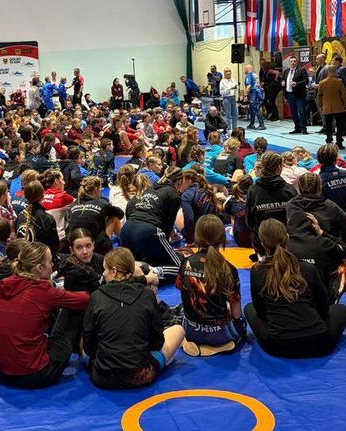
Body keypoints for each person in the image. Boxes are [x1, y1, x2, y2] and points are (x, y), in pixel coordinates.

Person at [245, 219, 346, 358]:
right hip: (319, 342)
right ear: (287, 238)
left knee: (249, 308)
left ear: (263, 244)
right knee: (341, 309)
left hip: (278, 346)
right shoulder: (307, 268)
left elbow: (260, 310)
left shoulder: (257, 271)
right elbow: (323, 306)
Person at [0, 241, 90, 388]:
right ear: (39, 268)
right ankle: (86, 349)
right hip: (34, 374)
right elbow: (85, 300)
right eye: (50, 262)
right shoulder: (41, 290)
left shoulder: (5, 285)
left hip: (2, 372)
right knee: (71, 310)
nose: (53, 265)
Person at [83, 248, 184, 389]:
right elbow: (157, 342)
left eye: (105, 269)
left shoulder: (96, 297)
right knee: (179, 330)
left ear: (114, 271)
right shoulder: (147, 295)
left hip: (103, 377)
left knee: (83, 337)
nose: (103, 274)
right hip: (141, 375)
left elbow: (88, 344)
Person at [177, 215, 246, 356]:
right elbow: (236, 312)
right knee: (243, 320)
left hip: (191, 331)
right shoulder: (228, 268)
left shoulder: (185, 263)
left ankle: (188, 342)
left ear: (197, 236)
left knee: (177, 313)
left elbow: (183, 293)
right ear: (222, 238)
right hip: (221, 334)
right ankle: (219, 347)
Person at [119, 167, 190, 282]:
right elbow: (167, 225)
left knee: (141, 261)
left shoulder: (150, 188)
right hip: (147, 231)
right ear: (179, 181)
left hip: (126, 229)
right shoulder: (174, 194)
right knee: (182, 267)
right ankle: (153, 271)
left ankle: (141, 268)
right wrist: (169, 249)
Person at [245, 152, 296, 253]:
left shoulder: (253, 190)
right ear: (279, 167)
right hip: (284, 242)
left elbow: (249, 221)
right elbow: (295, 220)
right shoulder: (290, 190)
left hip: (262, 242)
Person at [316, 66, 346, 148]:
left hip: (326, 107)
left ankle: (329, 141)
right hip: (338, 107)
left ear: (328, 72)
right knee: (340, 125)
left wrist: (321, 105)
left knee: (328, 125)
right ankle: (339, 142)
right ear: (335, 71)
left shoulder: (322, 82)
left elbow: (319, 96)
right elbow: (344, 95)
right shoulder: (339, 81)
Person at [282, 55, 309, 135]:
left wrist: (296, 84)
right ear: (289, 62)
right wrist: (282, 82)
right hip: (289, 95)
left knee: (301, 112)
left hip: (299, 95)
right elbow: (283, 79)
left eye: (294, 61)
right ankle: (297, 128)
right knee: (293, 113)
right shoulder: (286, 71)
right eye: (291, 61)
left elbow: (306, 80)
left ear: (297, 62)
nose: (293, 63)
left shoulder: (301, 70)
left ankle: (303, 128)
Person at [243, 65, 265, 129]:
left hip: (253, 93)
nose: (244, 71)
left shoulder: (248, 75)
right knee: (251, 108)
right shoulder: (255, 74)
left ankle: (262, 124)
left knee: (256, 108)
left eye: (245, 69)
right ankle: (252, 124)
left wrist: (245, 95)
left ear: (247, 69)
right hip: (258, 93)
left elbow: (249, 86)